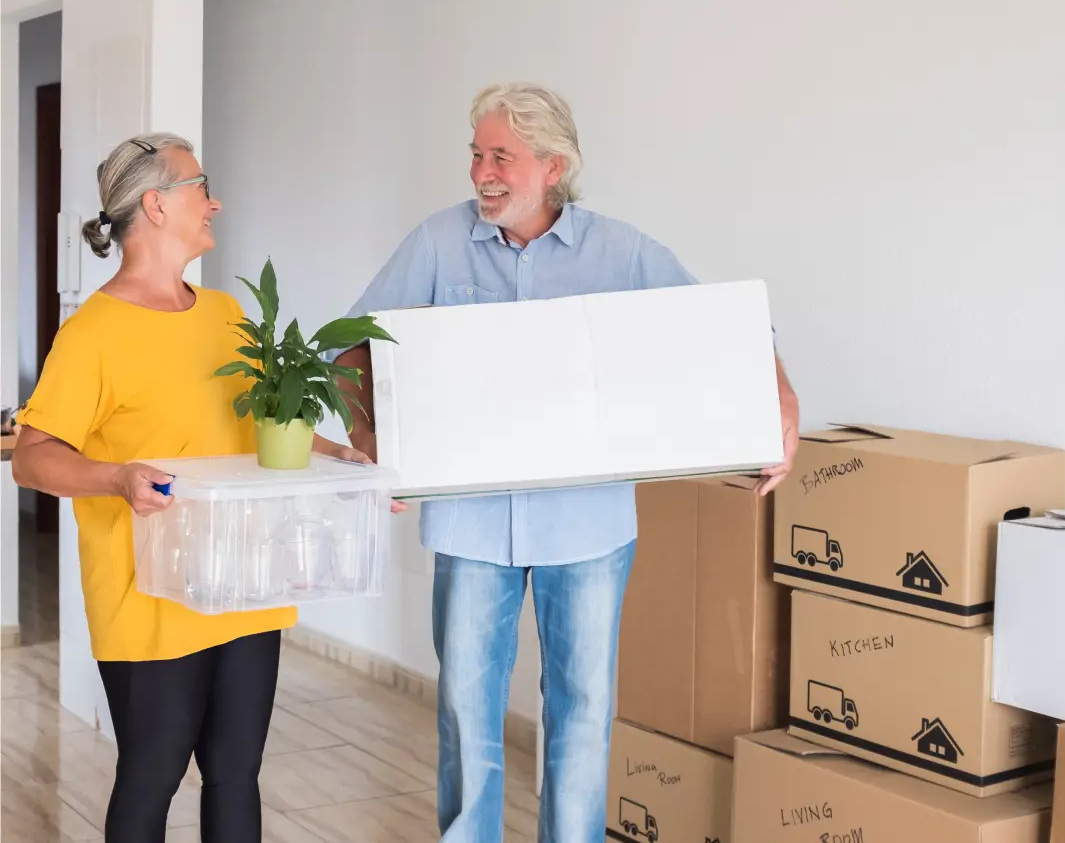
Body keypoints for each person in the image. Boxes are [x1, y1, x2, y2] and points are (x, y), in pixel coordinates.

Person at [331, 83, 799, 841]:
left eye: (501, 157)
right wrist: (370, 438)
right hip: (470, 524)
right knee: (465, 709)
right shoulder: (437, 243)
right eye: (476, 154)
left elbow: (728, 330)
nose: (481, 172)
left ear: (554, 166)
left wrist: (781, 400)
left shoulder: (623, 251)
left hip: (588, 527)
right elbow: (346, 344)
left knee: (582, 712)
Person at [11, 133, 380, 843]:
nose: (215, 202)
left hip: (241, 582)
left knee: (237, 771)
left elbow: (264, 428)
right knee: (151, 774)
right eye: (200, 187)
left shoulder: (224, 316)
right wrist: (116, 477)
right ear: (156, 205)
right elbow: (32, 458)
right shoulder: (92, 334)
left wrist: (343, 461)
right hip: (147, 594)